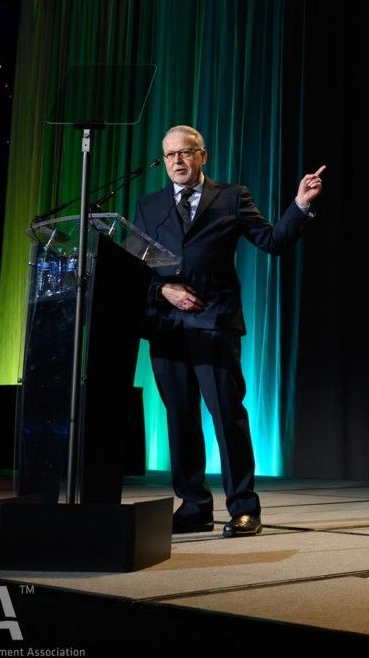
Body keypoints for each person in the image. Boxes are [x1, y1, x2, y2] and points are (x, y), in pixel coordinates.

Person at [133, 124, 324, 538]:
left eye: (185, 153)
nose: (177, 162)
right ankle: (194, 505)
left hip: (214, 324)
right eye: (169, 155)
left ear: (202, 155)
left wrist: (300, 205)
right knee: (180, 419)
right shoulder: (149, 205)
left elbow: (273, 241)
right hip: (166, 327)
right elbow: (135, 265)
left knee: (227, 418)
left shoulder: (232, 197)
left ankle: (243, 507)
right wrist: (164, 288)